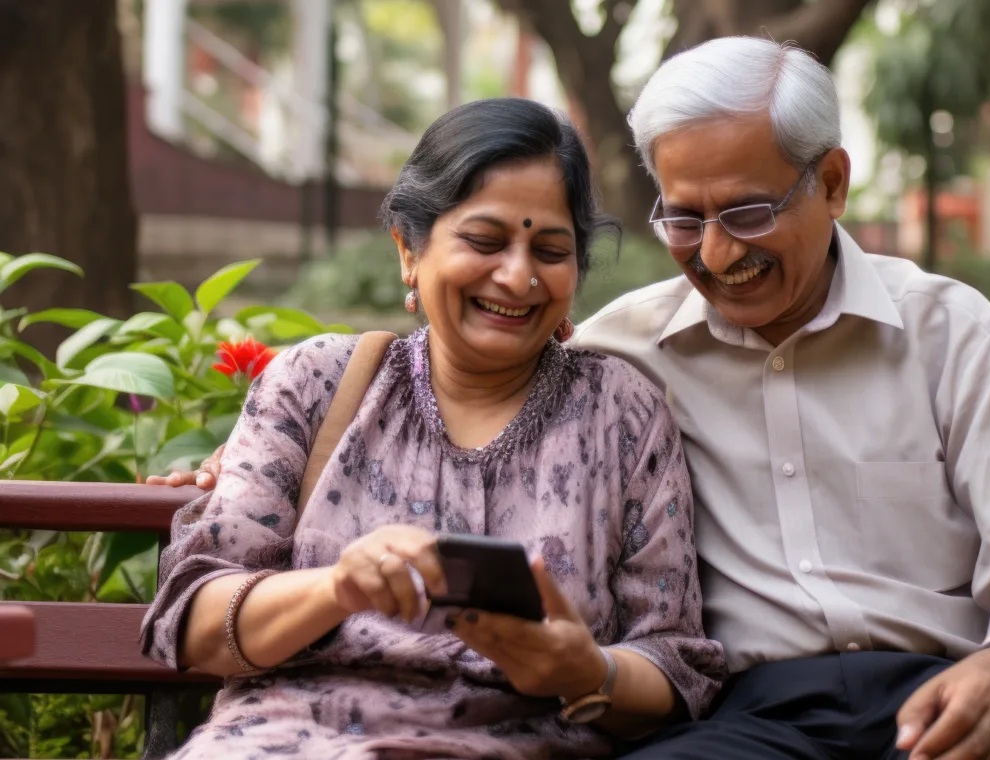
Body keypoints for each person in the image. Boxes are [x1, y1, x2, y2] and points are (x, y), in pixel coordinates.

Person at [169, 37, 990, 760]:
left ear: (834, 182)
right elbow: (465, 378)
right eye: (685, 216)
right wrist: (246, 467)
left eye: (750, 212)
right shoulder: (623, 347)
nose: (718, 253)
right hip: (754, 721)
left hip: (947, 692)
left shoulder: (946, 330)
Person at [140, 97, 724, 760]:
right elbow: (193, 625)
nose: (518, 275)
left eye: (551, 249)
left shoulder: (623, 415)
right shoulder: (316, 383)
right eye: (484, 241)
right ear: (408, 249)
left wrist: (587, 672)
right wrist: (338, 588)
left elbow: (675, 662)